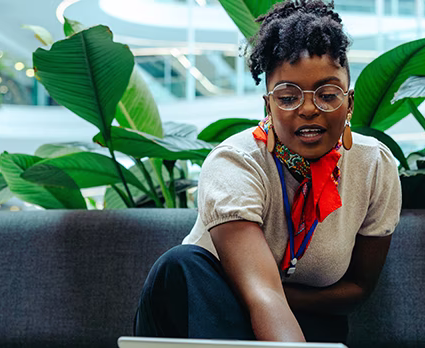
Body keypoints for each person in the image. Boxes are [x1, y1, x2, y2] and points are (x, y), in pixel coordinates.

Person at [133, 0, 402, 342]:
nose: (308, 109)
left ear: (348, 103)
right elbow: (262, 293)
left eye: (327, 94)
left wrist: (290, 301)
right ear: (268, 105)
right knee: (180, 264)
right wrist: (248, 294)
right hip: (203, 318)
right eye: (288, 97)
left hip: (308, 321)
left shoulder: (374, 166)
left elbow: (358, 288)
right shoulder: (236, 161)